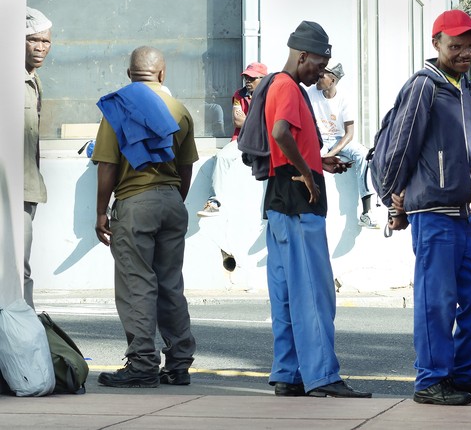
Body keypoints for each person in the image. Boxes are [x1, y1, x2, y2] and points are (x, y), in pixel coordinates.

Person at [379, 10, 471, 407]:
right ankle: (430, 380)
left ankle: (464, 375)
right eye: (456, 45)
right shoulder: (424, 86)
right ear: (436, 44)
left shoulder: (461, 87)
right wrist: (392, 199)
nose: (466, 51)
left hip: (462, 214)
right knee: (436, 300)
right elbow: (402, 145)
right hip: (432, 213)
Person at [262, 20, 371, 398]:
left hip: (278, 200)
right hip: (297, 201)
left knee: (287, 293)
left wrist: (319, 162)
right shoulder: (289, 87)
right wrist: (309, 174)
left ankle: (288, 373)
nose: (321, 72)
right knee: (314, 292)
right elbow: (279, 133)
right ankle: (323, 376)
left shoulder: (277, 83)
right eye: (319, 64)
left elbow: (285, 141)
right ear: (303, 55)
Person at [92, 46, 197, 388]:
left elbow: (107, 164)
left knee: (137, 283)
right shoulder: (180, 110)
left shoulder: (118, 106)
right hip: (171, 201)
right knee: (170, 284)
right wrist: (172, 200)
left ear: (129, 75)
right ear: (162, 74)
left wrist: (100, 212)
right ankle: (179, 363)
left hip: (135, 204)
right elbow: (186, 166)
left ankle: (142, 364)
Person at [306, 63, 378, 228]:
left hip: (339, 139)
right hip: (318, 138)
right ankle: (311, 207)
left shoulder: (344, 99)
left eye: (322, 75)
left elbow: (349, 134)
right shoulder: (311, 93)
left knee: (363, 154)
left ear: (332, 80)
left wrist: (332, 153)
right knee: (310, 158)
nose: (318, 77)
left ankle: (366, 212)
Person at [198, 62, 268, 217]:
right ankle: (214, 202)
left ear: (263, 79)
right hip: (242, 139)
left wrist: (251, 120)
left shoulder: (272, 95)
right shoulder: (239, 94)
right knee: (222, 157)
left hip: (265, 140)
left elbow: (272, 123)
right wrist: (259, 121)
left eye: (252, 78)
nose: (247, 81)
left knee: (275, 164)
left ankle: (271, 208)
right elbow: (238, 122)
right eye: (245, 78)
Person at [24, 7, 52, 310]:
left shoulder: (33, 80)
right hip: (11, 193)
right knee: (18, 271)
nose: (41, 47)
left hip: (27, 189)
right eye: (34, 40)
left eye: (46, 42)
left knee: (20, 268)